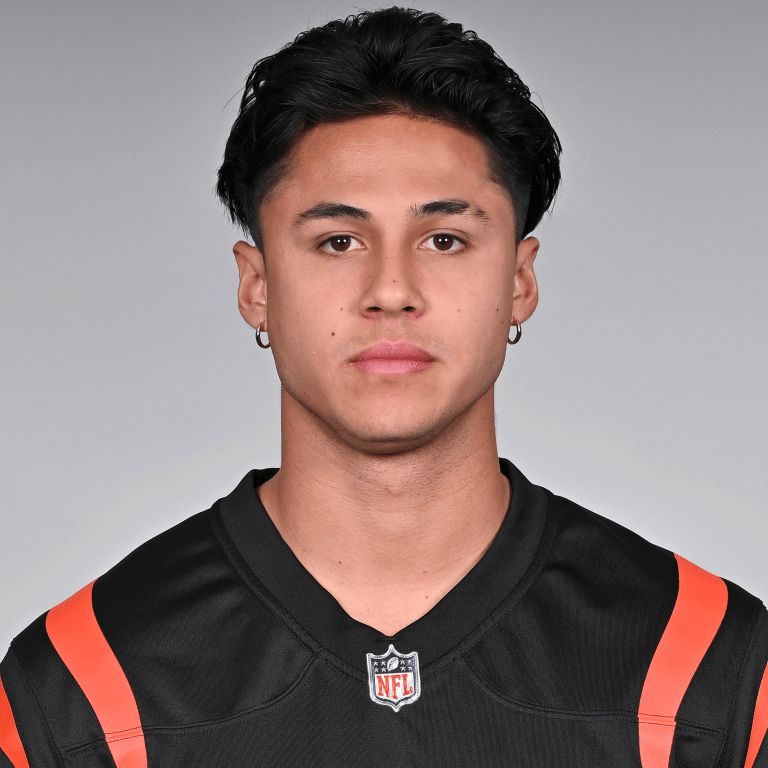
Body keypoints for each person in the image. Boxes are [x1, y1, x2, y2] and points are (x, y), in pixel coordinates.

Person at [1, 6, 766, 767]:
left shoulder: (707, 665)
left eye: (444, 239)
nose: (392, 289)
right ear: (258, 286)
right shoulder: (85, 687)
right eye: (338, 241)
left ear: (520, 281)